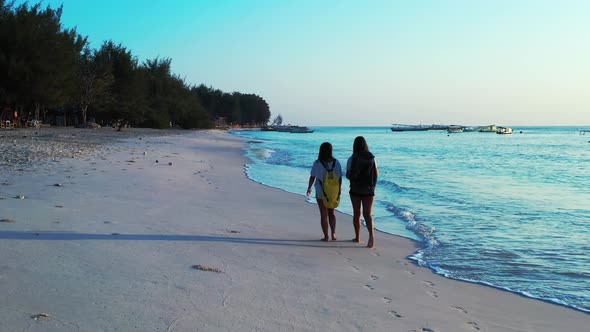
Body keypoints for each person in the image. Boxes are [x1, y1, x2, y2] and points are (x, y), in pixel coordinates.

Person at [346, 136, 379, 248]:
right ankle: (371, 236)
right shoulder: (372, 157)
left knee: (357, 213)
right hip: (369, 190)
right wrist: (373, 186)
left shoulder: (352, 158)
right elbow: (376, 173)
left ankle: (357, 237)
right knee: (368, 214)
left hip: (355, 189)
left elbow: (348, 175)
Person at [306, 142, 342, 241]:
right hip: (332, 191)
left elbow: (312, 176)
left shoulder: (317, 163)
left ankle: (326, 236)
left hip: (320, 190)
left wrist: (309, 188)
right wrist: (339, 189)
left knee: (323, 214)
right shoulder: (336, 162)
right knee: (332, 213)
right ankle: (333, 233)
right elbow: (339, 177)